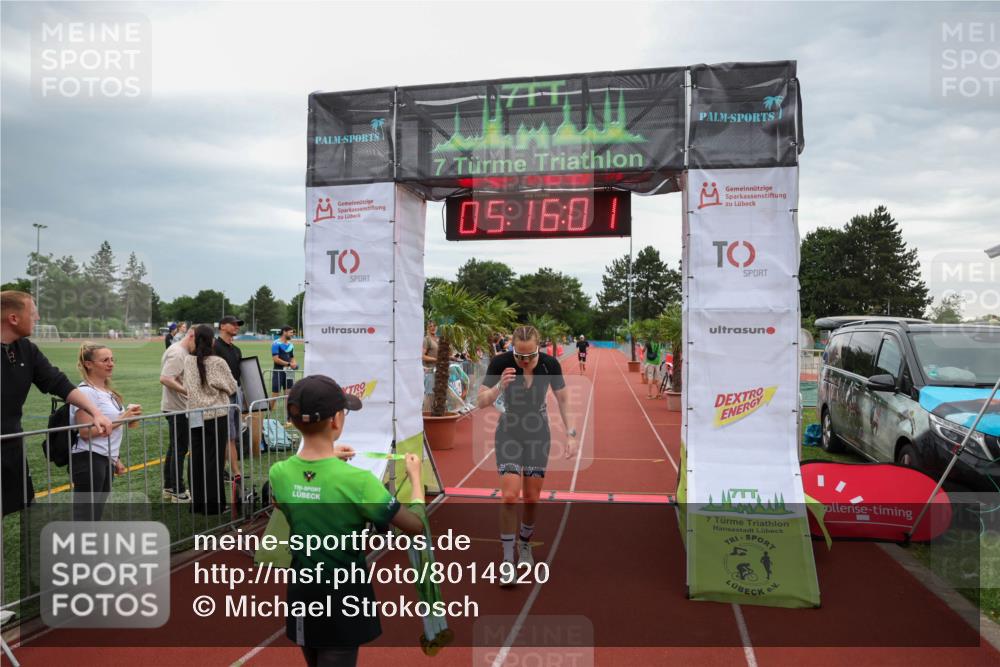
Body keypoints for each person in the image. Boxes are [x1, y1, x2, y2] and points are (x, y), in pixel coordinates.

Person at [269, 374, 426, 667]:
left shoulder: (279, 473)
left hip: (303, 593)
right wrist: (416, 480)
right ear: (336, 421)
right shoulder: (359, 481)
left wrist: (327, 462)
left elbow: (290, 497)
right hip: (344, 597)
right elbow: (415, 526)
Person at [478, 325, 577, 585]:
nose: (523, 361)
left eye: (529, 356)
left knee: (532, 498)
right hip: (509, 432)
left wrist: (571, 435)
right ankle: (507, 560)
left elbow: (564, 400)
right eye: (518, 355)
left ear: (538, 348)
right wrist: (499, 386)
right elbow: (480, 401)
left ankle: (525, 544)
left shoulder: (549, 365)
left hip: (537, 433)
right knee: (509, 496)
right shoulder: (501, 362)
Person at [1, 291, 113, 516]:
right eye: (33, 313)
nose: (38, 317)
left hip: (11, 445)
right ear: (13, 318)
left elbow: (58, 383)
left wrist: (94, 411)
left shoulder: (27, 350)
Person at [70, 343, 142, 521]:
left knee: (96, 512)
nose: (111, 364)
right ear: (89, 364)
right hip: (88, 458)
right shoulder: (85, 392)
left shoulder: (107, 392)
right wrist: (123, 418)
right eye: (104, 360)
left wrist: (115, 458)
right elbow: (86, 432)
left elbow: (110, 428)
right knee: (85, 514)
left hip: (105, 458)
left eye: (112, 359)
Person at [184, 324, 237, 514]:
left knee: (196, 458)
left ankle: (197, 503)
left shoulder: (188, 361)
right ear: (212, 340)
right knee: (214, 460)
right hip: (216, 415)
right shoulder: (217, 362)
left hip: (195, 414)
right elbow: (232, 386)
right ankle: (214, 505)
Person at [160, 326, 195, 502]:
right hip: (176, 408)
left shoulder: (180, 351)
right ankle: (177, 490)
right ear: (191, 336)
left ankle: (169, 486)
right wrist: (187, 391)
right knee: (179, 449)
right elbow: (165, 378)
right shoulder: (177, 353)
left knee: (175, 447)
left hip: (178, 407)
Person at [213, 315, 244, 479]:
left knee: (233, 435)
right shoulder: (215, 347)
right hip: (222, 396)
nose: (236, 327)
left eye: (238, 325)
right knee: (229, 436)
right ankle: (236, 472)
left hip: (236, 393)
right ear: (222, 326)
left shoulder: (237, 350)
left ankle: (222, 469)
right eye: (233, 324)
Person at [271, 325, 298, 405]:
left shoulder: (291, 345)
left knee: (289, 395)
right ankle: (268, 416)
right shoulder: (276, 343)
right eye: (290, 332)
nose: (292, 334)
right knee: (275, 395)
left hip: (289, 372)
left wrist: (294, 363)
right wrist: (289, 364)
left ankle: (288, 417)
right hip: (278, 372)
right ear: (284, 332)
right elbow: (276, 359)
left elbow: (292, 357)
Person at [422, 320, 439, 411]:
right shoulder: (426, 339)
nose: (433, 328)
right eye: (430, 326)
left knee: (438, 394)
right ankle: (427, 415)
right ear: (427, 328)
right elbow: (422, 356)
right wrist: (436, 360)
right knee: (429, 394)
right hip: (430, 371)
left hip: (440, 371)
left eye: (434, 325)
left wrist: (452, 357)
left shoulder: (438, 339)